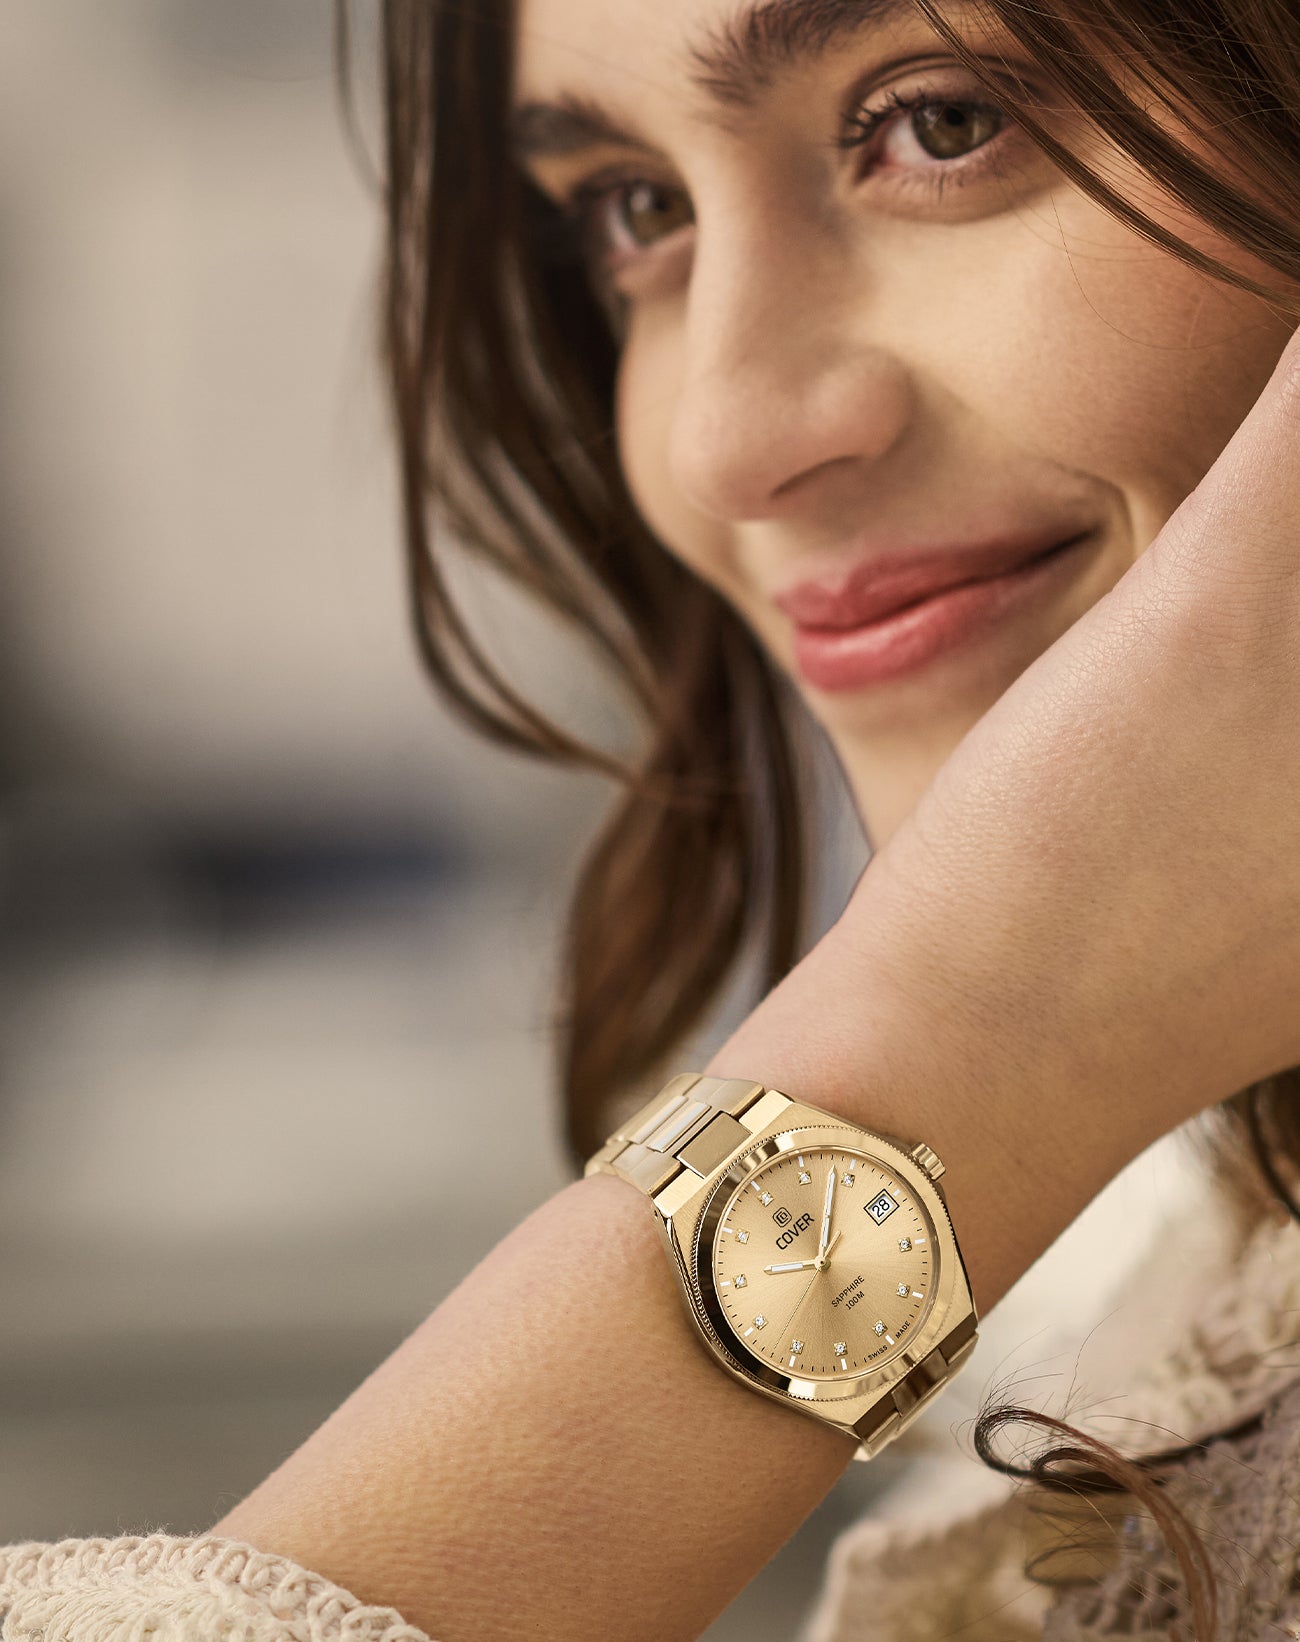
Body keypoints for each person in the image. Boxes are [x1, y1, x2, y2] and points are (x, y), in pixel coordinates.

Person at [3, 0, 1300, 1638]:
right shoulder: (1174, 1294)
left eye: (946, 122)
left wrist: (961, 1045)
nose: (722, 438)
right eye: (638, 211)